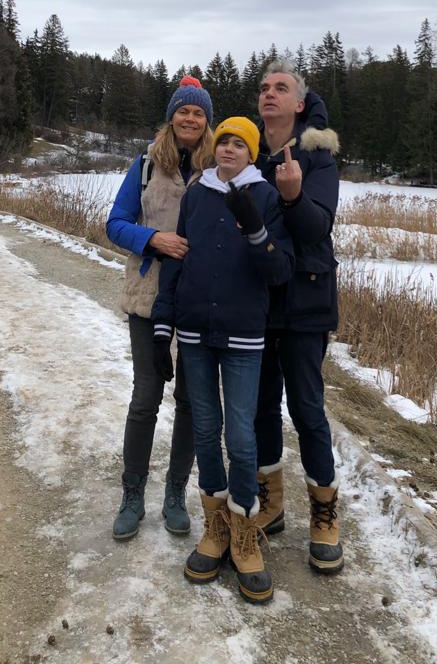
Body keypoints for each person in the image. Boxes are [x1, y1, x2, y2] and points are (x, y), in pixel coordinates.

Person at [152, 117, 293, 605]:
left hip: (243, 336)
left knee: (241, 437)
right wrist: (163, 324)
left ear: (252, 154)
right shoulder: (196, 195)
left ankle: (245, 533)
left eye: (240, 144)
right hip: (195, 333)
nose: (229, 149)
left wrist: (254, 228)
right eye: (224, 142)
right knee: (206, 431)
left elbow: (279, 271)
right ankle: (215, 528)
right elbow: (177, 259)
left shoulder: (266, 196)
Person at [105, 76, 214, 540]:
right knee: (146, 396)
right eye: (183, 110)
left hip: (198, 300)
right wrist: (154, 239)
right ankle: (132, 495)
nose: (190, 118)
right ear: (171, 117)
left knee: (190, 401)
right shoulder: (146, 165)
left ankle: (175, 493)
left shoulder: (218, 168)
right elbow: (115, 223)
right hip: (147, 296)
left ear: (207, 121)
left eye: (198, 112)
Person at [253, 59, 344, 574]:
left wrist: (292, 195)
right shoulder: (248, 153)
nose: (269, 94)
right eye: (264, 88)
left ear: (299, 103)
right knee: (261, 406)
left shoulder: (317, 157)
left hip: (306, 302)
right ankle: (271, 503)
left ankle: (324, 513)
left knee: (307, 408)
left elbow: (317, 229)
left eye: (280, 88)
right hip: (257, 302)